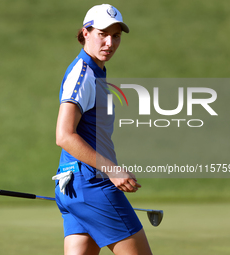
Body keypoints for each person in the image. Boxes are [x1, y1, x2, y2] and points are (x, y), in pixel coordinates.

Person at [53, 4, 153, 255]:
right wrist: (113, 170)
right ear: (85, 33)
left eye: (116, 36)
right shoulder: (83, 74)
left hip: (73, 186)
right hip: (92, 185)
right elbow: (64, 136)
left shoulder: (93, 71)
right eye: (102, 34)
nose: (109, 42)